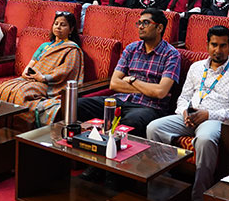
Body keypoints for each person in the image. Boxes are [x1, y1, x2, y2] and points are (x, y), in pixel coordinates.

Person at [147, 25, 229, 201]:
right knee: (153, 128)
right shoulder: (196, 67)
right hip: (189, 116)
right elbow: (183, 97)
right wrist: (184, 112)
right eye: (214, 45)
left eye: (223, 46)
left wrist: (208, 115)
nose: (218, 50)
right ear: (207, 45)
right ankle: (166, 184)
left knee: (204, 140)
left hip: (215, 120)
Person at [77, 8, 181, 136]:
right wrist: (148, 89)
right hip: (120, 100)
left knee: (131, 122)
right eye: (139, 23)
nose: (140, 27)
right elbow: (114, 84)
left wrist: (132, 80)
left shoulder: (171, 54)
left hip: (149, 107)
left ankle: (110, 146)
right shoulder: (132, 48)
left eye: (146, 23)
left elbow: (160, 92)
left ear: (159, 28)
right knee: (79, 105)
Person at [0, 11, 84, 128]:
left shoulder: (72, 49)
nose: (58, 27)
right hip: (31, 79)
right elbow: (32, 64)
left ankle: (21, 130)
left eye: (63, 25)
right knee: (4, 87)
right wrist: (26, 73)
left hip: (50, 84)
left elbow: (66, 70)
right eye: (56, 23)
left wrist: (43, 77)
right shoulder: (45, 46)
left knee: (22, 93)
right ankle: (2, 128)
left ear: (71, 29)